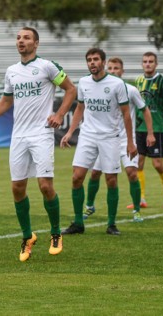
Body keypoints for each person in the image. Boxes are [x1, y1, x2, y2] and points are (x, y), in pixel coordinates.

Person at [0, 27, 76, 262]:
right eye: (19, 38)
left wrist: (60, 115)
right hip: (18, 136)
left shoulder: (48, 66)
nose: (21, 41)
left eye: (27, 38)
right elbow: (6, 100)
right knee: (17, 188)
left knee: (44, 186)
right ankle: (27, 236)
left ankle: (55, 233)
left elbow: (71, 90)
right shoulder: (11, 71)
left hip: (41, 134)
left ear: (36, 43)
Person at [60, 48, 137, 236]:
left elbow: (126, 114)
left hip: (110, 136)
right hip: (87, 135)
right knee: (77, 176)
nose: (92, 62)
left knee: (111, 179)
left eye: (96, 59)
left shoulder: (117, 84)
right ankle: (78, 223)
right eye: (89, 60)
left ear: (103, 62)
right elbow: (80, 108)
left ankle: (111, 224)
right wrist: (70, 132)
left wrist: (130, 142)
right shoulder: (84, 82)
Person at [83, 57, 155, 223]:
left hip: (125, 140)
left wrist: (150, 133)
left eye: (117, 68)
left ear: (122, 71)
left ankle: (136, 210)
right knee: (95, 173)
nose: (113, 71)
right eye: (111, 68)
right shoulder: (99, 88)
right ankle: (89, 206)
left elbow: (145, 110)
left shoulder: (130, 90)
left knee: (132, 174)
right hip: (106, 139)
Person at [133, 52, 163, 209]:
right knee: (138, 163)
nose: (147, 64)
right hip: (139, 128)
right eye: (145, 61)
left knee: (157, 164)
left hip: (157, 127)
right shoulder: (138, 81)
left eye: (151, 61)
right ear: (141, 64)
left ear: (156, 64)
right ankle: (141, 199)